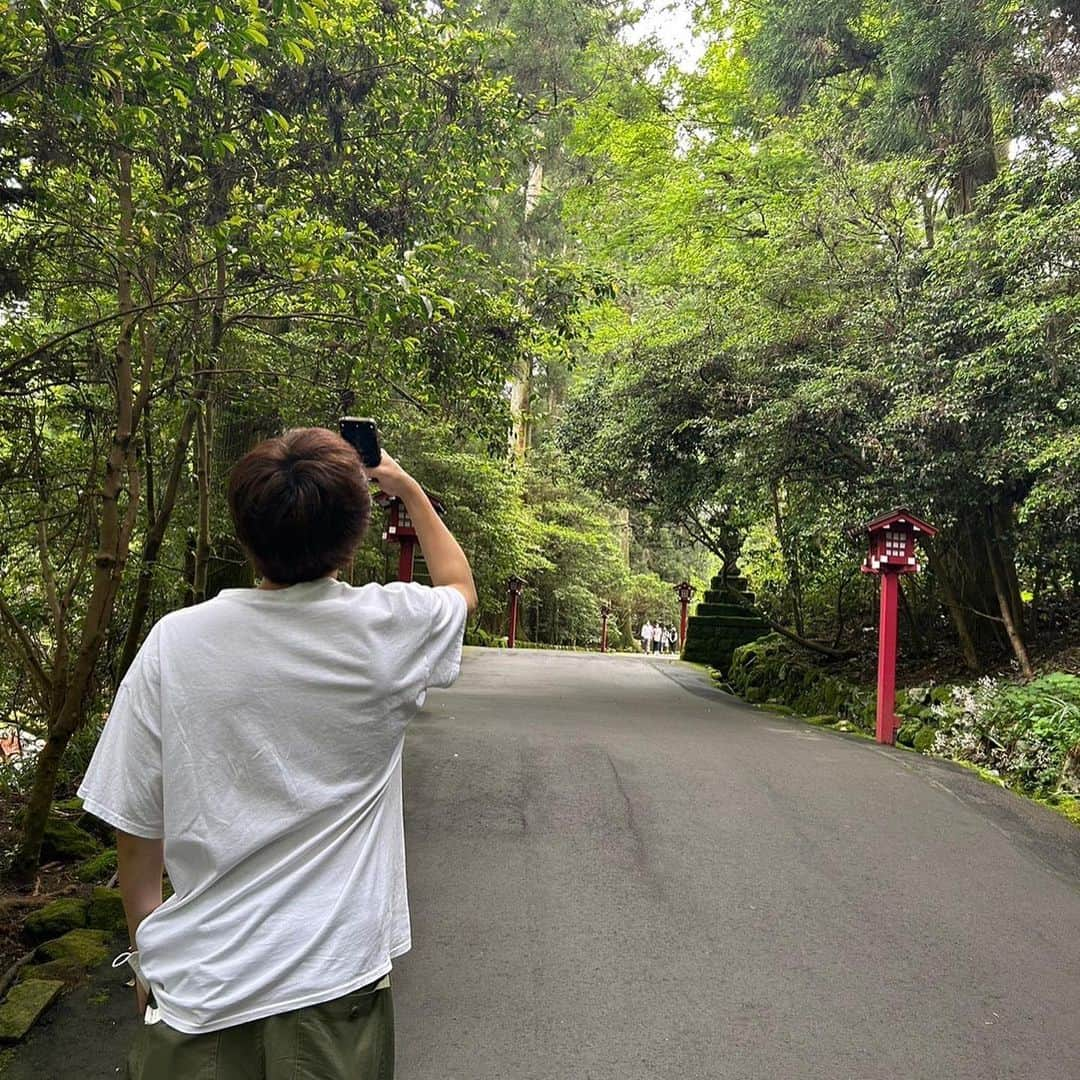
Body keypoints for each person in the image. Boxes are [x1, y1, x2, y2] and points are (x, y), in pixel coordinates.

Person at [77, 428, 477, 1079]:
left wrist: (144, 949)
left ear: (244, 532)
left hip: (199, 993)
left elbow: (136, 823)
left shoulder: (174, 644)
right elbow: (460, 587)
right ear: (352, 538)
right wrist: (404, 486)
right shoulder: (387, 632)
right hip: (334, 987)